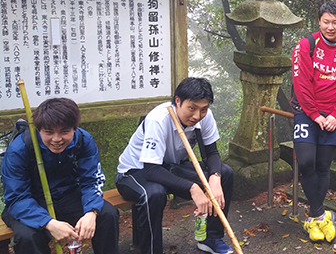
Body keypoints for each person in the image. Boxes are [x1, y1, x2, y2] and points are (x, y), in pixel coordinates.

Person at [116, 77, 234, 254]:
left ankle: (211, 238)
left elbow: (212, 153)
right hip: (136, 171)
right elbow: (152, 170)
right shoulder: (158, 120)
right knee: (154, 193)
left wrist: (215, 177)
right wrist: (193, 188)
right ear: (177, 101)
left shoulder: (205, 116)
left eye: (203, 109)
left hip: (171, 166)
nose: (197, 116)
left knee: (225, 172)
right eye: (192, 108)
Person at [1, 98, 120, 254]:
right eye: (49, 132)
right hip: (29, 201)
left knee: (107, 214)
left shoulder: (83, 140)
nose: (56, 139)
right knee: (26, 236)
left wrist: (91, 212)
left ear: (74, 129)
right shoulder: (19, 149)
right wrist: (48, 222)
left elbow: (91, 180)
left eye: (64, 131)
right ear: (38, 129)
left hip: (68, 195)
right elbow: (16, 197)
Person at [291, 1, 336, 242]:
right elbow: (301, 84)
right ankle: (321, 214)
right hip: (306, 112)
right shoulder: (305, 46)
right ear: (319, 21)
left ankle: (312, 218)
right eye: (326, 21)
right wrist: (314, 114)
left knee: (323, 166)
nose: (330, 27)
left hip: (332, 117)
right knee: (307, 162)